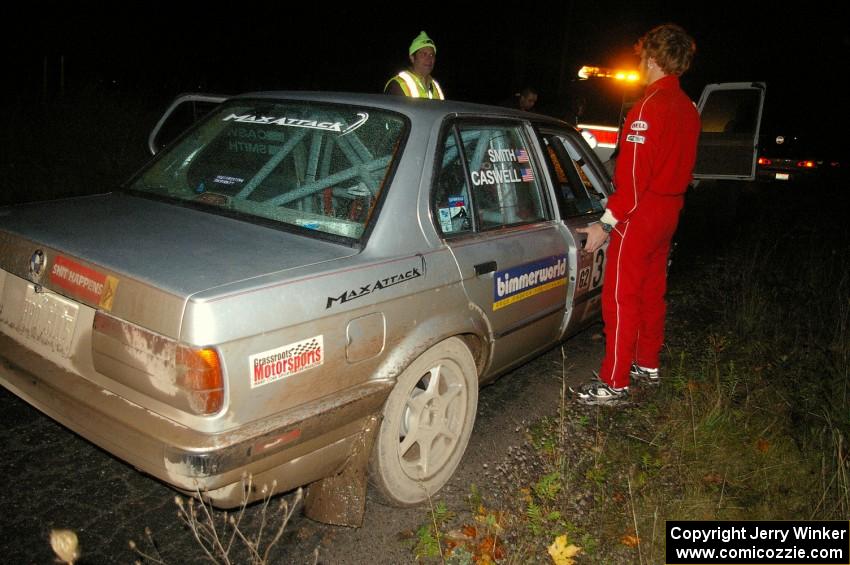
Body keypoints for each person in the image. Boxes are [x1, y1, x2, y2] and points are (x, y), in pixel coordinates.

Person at [573, 23, 701, 405]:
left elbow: (630, 179)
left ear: (653, 58)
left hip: (641, 215)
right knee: (651, 292)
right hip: (670, 211)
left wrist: (605, 224)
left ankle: (614, 383)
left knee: (620, 297)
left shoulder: (648, 108)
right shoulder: (688, 108)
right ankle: (647, 363)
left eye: (644, 56)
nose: (641, 63)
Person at [384, 31, 445, 99]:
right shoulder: (398, 85)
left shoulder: (436, 87)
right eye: (424, 54)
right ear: (412, 58)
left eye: (432, 55)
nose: (429, 59)